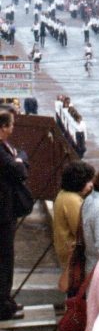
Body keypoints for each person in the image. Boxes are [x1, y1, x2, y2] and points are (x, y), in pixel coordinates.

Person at [0, 109, 29, 320]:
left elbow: (22, 157)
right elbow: (19, 170)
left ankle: (6, 300)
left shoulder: (6, 148)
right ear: (3, 127)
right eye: (11, 125)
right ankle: (3, 306)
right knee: (4, 259)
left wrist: (18, 159)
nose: (13, 128)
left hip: (6, 211)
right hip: (2, 213)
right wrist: (18, 161)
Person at [52, 161, 95, 268]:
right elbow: (79, 229)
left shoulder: (63, 194)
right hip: (72, 254)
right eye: (88, 181)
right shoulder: (73, 201)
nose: (91, 184)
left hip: (64, 249)